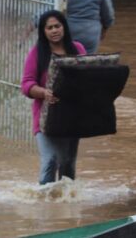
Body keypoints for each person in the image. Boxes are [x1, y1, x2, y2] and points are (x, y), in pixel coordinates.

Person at [21, 10, 87, 185]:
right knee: (50, 160)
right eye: (49, 27)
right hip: (45, 117)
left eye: (57, 26)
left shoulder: (78, 49)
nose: (54, 30)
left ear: (64, 27)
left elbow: (87, 77)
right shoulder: (37, 53)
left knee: (67, 165)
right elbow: (26, 84)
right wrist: (44, 93)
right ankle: (44, 205)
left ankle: (65, 206)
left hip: (72, 117)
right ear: (43, 31)